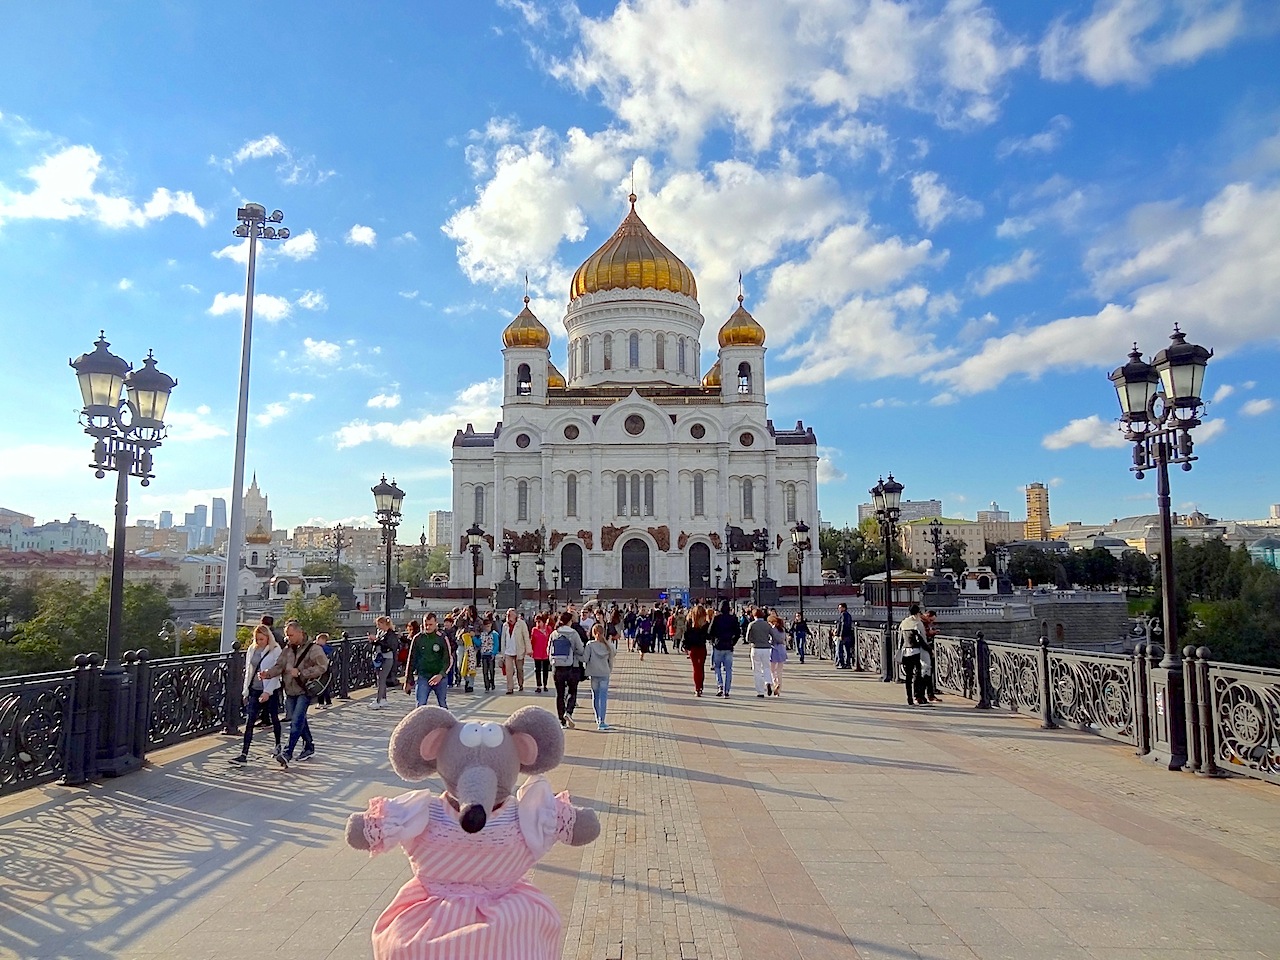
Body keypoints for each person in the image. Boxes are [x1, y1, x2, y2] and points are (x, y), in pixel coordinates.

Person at [264, 619, 329, 763]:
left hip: (304, 690)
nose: (288, 638)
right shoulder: (287, 649)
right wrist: (267, 673)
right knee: (299, 719)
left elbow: (323, 666)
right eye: (287, 635)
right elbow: (279, 666)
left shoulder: (313, 649)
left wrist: (302, 673)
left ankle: (287, 753)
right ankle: (309, 746)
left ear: (300, 633)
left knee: (296, 720)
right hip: (290, 689)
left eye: (291, 635)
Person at [229, 624, 287, 767]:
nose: (259, 642)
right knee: (250, 721)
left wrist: (268, 692)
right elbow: (249, 671)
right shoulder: (252, 649)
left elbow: (276, 672)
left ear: (268, 637)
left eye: (262, 639)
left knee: (274, 717)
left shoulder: (275, 650)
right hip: (255, 688)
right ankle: (244, 754)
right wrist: (245, 691)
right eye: (257, 639)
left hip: (270, 690)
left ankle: (278, 744)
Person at [406, 612, 453, 708]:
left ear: (436, 623)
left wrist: (441, 674)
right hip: (423, 675)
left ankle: (447, 722)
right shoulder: (418, 638)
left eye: (430, 624)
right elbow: (411, 660)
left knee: (442, 704)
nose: (427, 627)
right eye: (425, 624)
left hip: (439, 676)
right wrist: (408, 680)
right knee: (420, 704)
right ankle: (420, 722)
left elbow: (448, 660)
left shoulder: (442, 638)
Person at [549, 611, 585, 729]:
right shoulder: (573, 633)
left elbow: (548, 649)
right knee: (572, 691)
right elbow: (580, 650)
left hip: (557, 667)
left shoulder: (554, 633)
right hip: (571, 666)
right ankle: (568, 712)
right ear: (569, 621)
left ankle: (561, 721)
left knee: (559, 694)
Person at [583, 621, 616, 729]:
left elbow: (585, 659)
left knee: (595, 697)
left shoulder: (590, 645)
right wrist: (609, 670)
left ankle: (597, 718)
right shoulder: (608, 646)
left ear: (593, 633)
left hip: (593, 673)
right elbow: (611, 661)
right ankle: (602, 720)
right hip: (604, 673)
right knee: (603, 697)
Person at [898, 603, 931, 706]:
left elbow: (901, 639)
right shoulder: (918, 624)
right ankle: (918, 695)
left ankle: (909, 698)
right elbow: (922, 640)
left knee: (908, 676)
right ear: (917, 613)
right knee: (918, 674)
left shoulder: (904, 623)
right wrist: (930, 650)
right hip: (916, 651)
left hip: (906, 651)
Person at [368, 615, 400, 710]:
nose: (378, 626)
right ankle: (383, 699)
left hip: (387, 658)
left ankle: (378, 700)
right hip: (380, 657)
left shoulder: (391, 634)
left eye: (379, 624)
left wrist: (376, 640)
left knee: (382, 678)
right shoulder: (381, 632)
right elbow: (380, 643)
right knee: (380, 678)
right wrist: (373, 641)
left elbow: (390, 645)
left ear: (384, 623)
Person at [710, 599, 740, 697]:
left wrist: (713, 640)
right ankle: (727, 690)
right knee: (728, 669)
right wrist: (733, 642)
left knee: (717, 667)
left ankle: (720, 685)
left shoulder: (716, 618)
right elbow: (738, 632)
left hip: (718, 645)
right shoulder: (733, 618)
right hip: (729, 646)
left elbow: (710, 631)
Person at [499, 607, 531, 694]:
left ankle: (520, 684)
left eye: (511, 615)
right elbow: (503, 639)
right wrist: (502, 653)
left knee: (519, 669)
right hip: (508, 651)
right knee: (509, 671)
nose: (509, 617)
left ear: (515, 616)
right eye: (508, 615)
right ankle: (510, 688)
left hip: (519, 650)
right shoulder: (505, 625)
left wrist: (529, 650)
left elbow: (526, 637)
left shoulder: (521, 624)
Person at [745, 607, 775, 698]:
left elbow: (747, 638)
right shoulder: (767, 624)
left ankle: (760, 691)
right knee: (766, 667)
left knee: (757, 670)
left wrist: (753, 641)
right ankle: (768, 682)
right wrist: (769, 642)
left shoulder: (752, 624)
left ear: (754, 616)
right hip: (766, 648)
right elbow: (773, 635)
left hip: (756, 648)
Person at [682, 603, 710, 697]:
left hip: (692, 648)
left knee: (695, 668)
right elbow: (708, 636)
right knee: (701, 668)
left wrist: (685, 646)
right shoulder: (705, 623)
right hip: (702, 647)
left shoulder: (689, 622)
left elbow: (685, 634)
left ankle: (697, 688)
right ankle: (700, 687)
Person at [530, 612, 552, 693]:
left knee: (546, 669)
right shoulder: (534, 630)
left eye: (539, 621)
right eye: (536, 622)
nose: (537, 623)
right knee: (537, 669)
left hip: (546, 652)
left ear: (543, 621)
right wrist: (531, 650)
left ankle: (545, 684)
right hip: (537, 652)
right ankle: (538, 685)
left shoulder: (548, 629)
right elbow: (532, 641)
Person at [768, 612, 788, 697]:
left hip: (774, 649)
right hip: (782, 649)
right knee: (779, 671)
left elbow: (772, 639)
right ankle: (779, 689)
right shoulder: (782, 630)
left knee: (772, 670)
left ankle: (775, 683)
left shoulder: (773, 629)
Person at [315, 631, 336, 708]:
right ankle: (324, 702)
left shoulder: (323, 648)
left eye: (318, 640)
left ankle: (324, 702)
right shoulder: (324, 648)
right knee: (322, 685)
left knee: (322, 686)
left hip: (324, 669)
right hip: (322, 668)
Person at [479, 614, 499, 691]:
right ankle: (486, 685)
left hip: (490, 654)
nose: (487, 627)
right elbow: (479, 643)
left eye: (488, 625)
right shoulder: (482, 634)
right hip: (484, 654)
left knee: (491, 670)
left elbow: (496, 644)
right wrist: (474, 638)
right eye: (485, 626)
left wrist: (494, 653)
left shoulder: (494, 634)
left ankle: (492, 681)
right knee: (485, 671)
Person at [837, 602, 855, 669]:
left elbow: (843, 625)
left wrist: (840, 634)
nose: (839, 609)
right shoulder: (849, 615)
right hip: (848, 635)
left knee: (840, 650)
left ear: (844, 608)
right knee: (847, 650)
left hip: (843, 635)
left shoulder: (843, 614)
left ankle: (842, 664)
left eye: (840, 607)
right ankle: (848, 664)